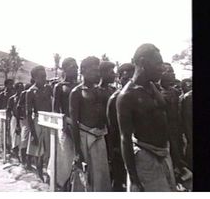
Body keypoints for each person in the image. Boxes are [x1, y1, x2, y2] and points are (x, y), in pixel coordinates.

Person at [117, 44, 176, 192]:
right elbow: (125, 139)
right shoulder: (126, 96)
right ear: (143, 62)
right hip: (145, 159)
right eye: (158, 64)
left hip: (163, 155)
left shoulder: (152, 87)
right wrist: (135, 180)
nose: (162, 68)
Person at [69, 56, 112, 191]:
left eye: (98, 70)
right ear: (83, 70)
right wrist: (77, 151)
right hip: (84, 139)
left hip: (100, 138)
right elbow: (74, 123)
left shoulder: (101, 91)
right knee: (84, 177)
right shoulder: (77, 92)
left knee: (101, 176)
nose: (97, 74)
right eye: (94, 70)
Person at [50, 57, 78, 190]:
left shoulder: (79, 86)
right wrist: (64, 126)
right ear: (65, 69)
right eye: (73, 67)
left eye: (77, 67)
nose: (76, 69)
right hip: (65, 126)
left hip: (79, 127)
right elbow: (55, 110)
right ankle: (62, 185)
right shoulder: (59, 87)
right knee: (66, 158)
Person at [106, 63, 134, 191]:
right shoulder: (115, 98)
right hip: (120, 146)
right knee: (120, 180)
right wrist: (114, 150)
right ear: (120, 79)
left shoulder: (139, 97)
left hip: (136, 146)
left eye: (132, 78)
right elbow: (111, 128)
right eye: (126, 78)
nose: (129, 82)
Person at [26, 66, 53, 181]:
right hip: (38, 122)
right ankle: (40, 176)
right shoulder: (30, 92)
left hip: (50, 121)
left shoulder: (49, 88)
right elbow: (28, 114)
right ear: (34, 77)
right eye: (42, 77)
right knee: (38, 151)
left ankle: (50, 174)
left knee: (50, 149)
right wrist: (32, 133)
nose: (44, 79)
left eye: (45, 76)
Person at [17, 81, 34, 167]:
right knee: (25, 139)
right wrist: (17, 122)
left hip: (33, 119)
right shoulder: (25, 93)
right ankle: (23, 160)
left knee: (32, 141)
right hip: (25, 119)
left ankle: (29, 161)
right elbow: (18, 107)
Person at [7, 82, 24, 163]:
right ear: (16, 89)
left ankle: (22, 157)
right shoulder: (12, 99)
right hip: (14, 120)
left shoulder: (25, 98)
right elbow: (8, 110)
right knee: (15, 138)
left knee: (22, 139)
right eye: (20, 88)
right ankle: (17, 157)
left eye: (22, 88)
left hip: (23, 120)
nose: (21, 90)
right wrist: (9, 122)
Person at [0, 79, 15, 152]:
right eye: (9, 84)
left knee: (10, 130)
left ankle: (10, 146)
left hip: (10, 114)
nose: (11, 86)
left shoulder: (13, 93)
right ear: (6, 85)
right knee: (2, 130)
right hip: (2, 115)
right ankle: (2, 146)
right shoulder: (2, 94)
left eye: (12, 84)